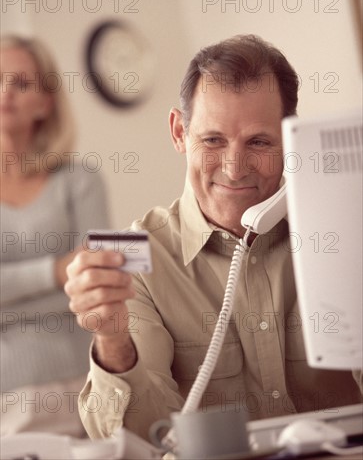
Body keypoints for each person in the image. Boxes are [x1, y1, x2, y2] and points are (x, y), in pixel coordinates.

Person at [65, 34, 362, 442]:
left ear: (290, 140)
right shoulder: (139, 260)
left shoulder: (341, 229)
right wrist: (113, 340)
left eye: (258, 142)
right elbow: (145, 439)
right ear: (178, 132)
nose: (235, 168)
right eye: (212, 140)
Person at [0, 35, 110, 436]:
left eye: (22, 83)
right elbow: (73, 275)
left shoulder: (79, 180)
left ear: (45, 103)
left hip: (83, 387)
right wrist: (57, 272)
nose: (6, 92)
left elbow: (97, 282)